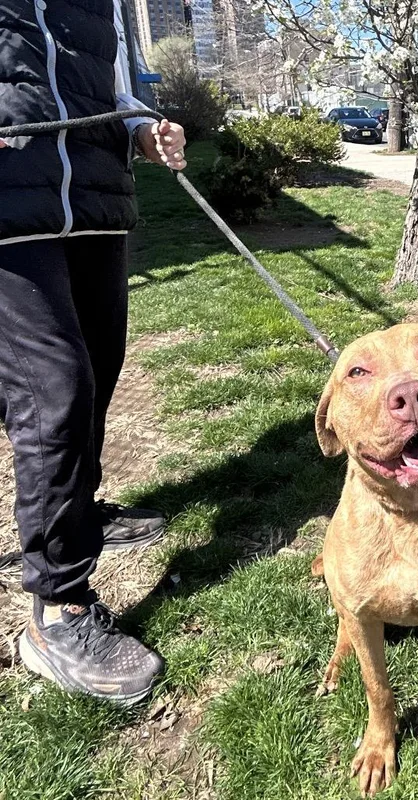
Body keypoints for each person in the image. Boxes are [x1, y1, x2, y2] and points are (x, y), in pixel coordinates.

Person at [0, 0, 187, 705]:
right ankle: (58, 606)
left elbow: (115, 90)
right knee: (55, 388)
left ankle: (75, 507)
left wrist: (145, 129)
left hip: (97, 206)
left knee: (98, 366)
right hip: (11, 210)